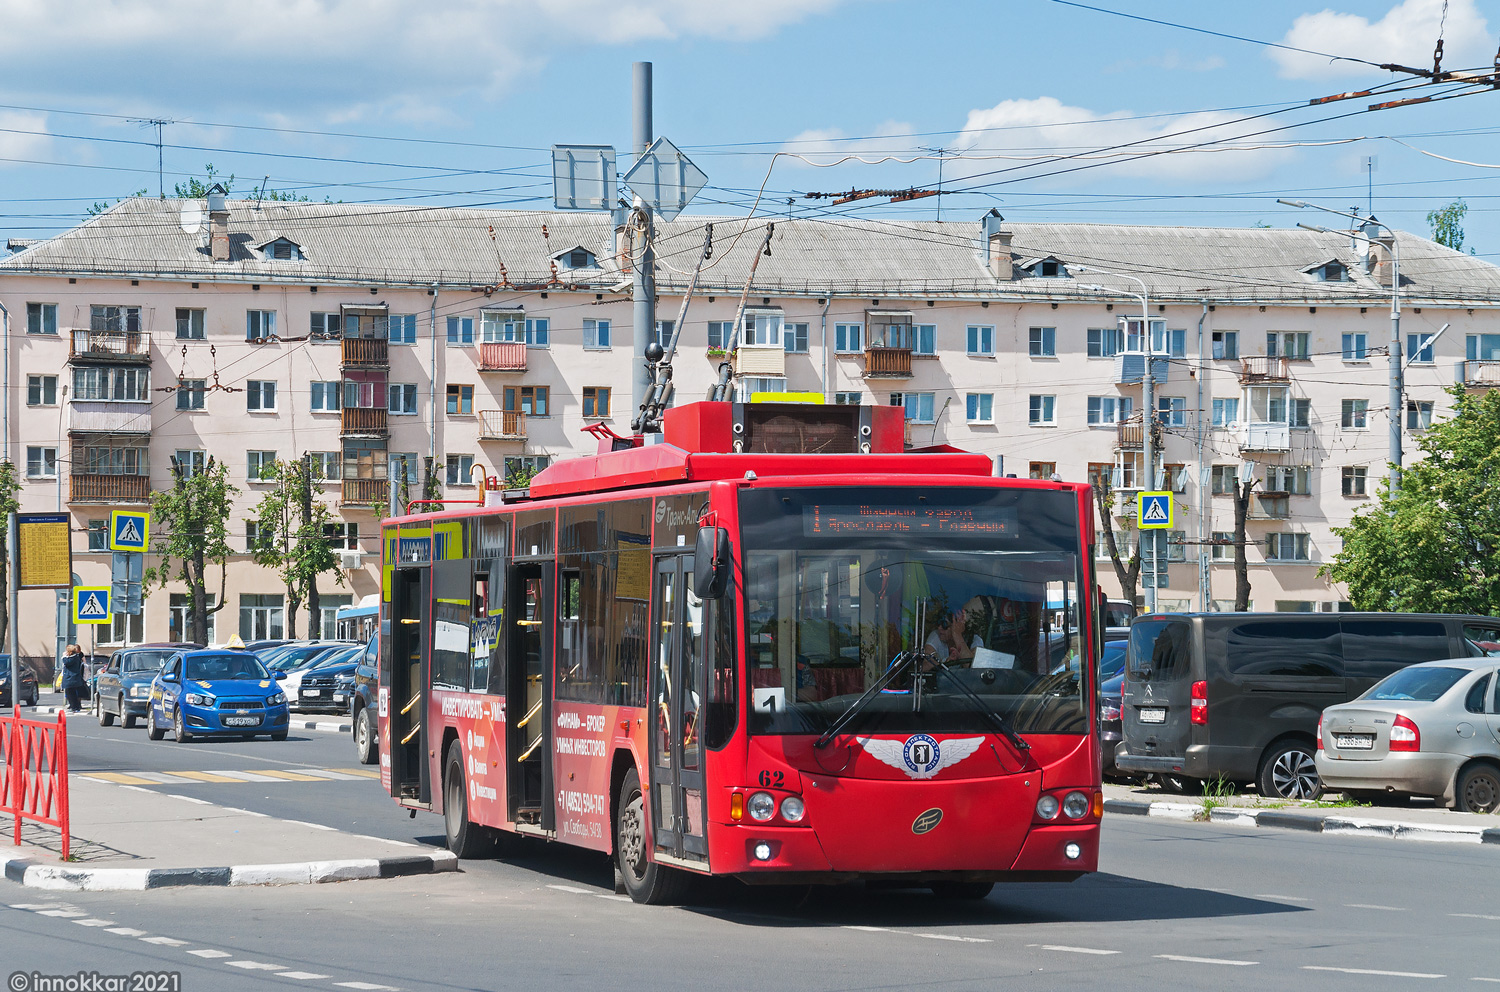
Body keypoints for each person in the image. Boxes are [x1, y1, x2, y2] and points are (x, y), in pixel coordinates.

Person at [60, 643, 87, 713]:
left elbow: (66, 662)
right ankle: (75, 707)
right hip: (73, 678)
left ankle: (74, 707)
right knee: (72, 694)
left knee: (70, 694)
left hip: (71, 679)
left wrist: (64, 656)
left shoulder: (73, 658)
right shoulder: (76, 657)